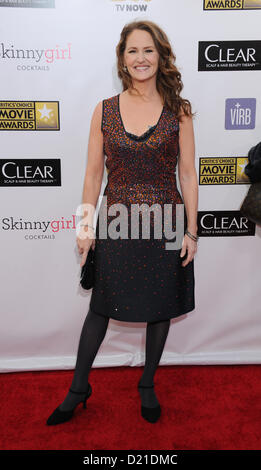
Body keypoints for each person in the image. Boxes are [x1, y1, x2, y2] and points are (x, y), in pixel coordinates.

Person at [46, 19, 198, 426]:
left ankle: (147, 383)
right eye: (133, 50)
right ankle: (79, 387)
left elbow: (188, 174)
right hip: (117, 222)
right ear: (122, 58)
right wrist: (84, 225)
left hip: (166, 220)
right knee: (100, 307)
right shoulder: (105, 109)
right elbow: (93, 176)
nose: (141, 58)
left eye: (148, 50)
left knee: (160, 306)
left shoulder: (179, 112)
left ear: (160, 56)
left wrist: (191, 229)